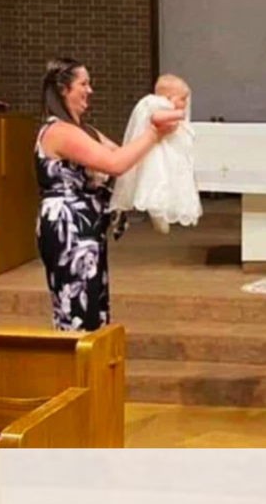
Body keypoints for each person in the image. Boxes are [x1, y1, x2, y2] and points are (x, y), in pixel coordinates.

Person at [36, 58, 182, 331]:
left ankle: (93, 370)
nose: (90, 90)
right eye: (84, 84)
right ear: (63, 89)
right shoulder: (60, 131)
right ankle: (77, 370)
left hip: (86, 229)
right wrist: (153, 132)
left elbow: (125, 156)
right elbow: (114, 164)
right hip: (69, 230)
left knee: (94, 307)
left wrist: (158, 111)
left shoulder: (85, 131)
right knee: (78, 312)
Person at [109, 73, 202, 233]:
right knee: (157, 180)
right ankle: (156, 212)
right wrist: (179, 114)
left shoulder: (169, 106)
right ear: (168, 98)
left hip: (171, 154)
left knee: (171, 181)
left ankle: (164, 211)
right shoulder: (157, 104)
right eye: (182, 99)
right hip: (158, 154)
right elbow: (157, 117)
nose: (185, 104)